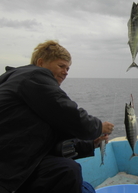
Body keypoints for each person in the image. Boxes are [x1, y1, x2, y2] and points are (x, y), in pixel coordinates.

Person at [0, 40, 115, 193]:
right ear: (40, 63)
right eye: (61, 66)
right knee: (67, 171)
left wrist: (90, 144)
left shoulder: (25, 86)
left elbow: (51, 137)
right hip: (9, 169)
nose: (66, 72)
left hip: (17, 161)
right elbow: (70, 115)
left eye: (68, 68)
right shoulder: (33, 76)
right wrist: (99, 126)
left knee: (69, 173)